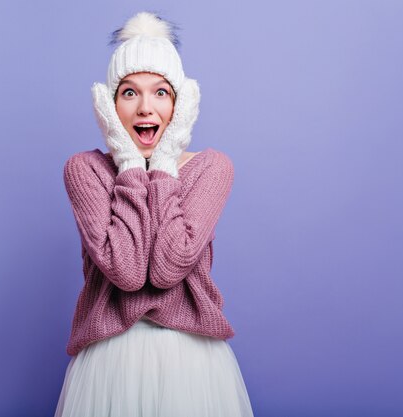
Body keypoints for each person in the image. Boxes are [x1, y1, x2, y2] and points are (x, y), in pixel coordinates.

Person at [54, 11, 255, 417]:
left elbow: (167, 268)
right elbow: (126, 271)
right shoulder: (85, 169)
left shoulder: (212, 168)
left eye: (161, 92)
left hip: (193, 364)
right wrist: (130, 163)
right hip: (109, 364)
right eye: (129, 93)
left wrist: (162, 165)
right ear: (109, 107)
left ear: (181, 105)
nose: (145, 108)